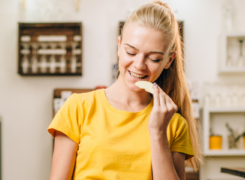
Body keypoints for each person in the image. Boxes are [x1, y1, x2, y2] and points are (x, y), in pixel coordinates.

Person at [48, 1, 201, 179]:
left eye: (154, 58)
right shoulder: (77, 108)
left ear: (169, 60)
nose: (139, 65)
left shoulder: (174, 124)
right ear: (119, 46)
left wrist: (158, 133)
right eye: (131, 52)